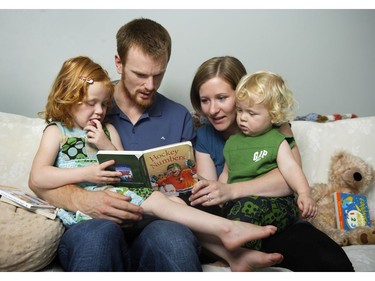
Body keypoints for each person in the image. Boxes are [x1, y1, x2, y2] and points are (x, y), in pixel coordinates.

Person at [30, 19, 282, 272]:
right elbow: (38, 180)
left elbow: (183, 181)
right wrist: (84, 199)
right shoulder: (90, 111)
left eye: (158, 74)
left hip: (154, 224)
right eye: (140, 75)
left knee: (172, 238)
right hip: (91, 224)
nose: (150, 85)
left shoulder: (176, 116)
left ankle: (229, 240)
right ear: (119, 63)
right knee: (97, 237)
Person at [188, 56, 354, 271]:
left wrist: (230, 190)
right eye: (205, 100)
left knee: (332, 262)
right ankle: (236, 255)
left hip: (277, 218)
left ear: (240, 95)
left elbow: (288, 180)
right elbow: (213, 192)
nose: (212, 110)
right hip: (234, 222)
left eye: (221, 98)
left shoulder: (275, 126)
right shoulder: (205, 137)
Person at [219, 70, 317, 250]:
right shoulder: (232, 142)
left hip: (277, 203)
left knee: (246, 210)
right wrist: (219, 196)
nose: (242, 118)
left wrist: (304, 193)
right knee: (221, 218)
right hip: (239, 203)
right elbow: (227, 173)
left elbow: (291, 169)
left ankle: (246, 254)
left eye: (251, 113)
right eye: (239, 110)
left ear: (273, 116)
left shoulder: (276, 141)